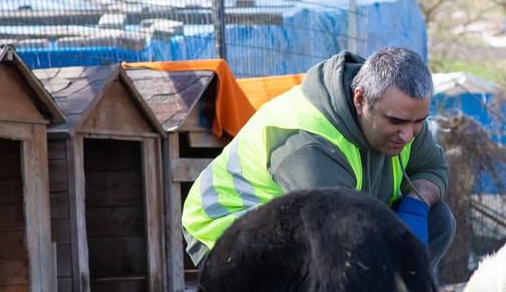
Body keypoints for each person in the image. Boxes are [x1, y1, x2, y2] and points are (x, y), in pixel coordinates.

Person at [181, 47, 454, 269]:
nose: (408, 135)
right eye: (396, 121)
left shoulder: (402, 115)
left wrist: (414, 208)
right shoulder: (307, 140)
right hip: (227, 235)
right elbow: (339, 234)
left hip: (330, 218)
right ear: (360, 99)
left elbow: (433, 168)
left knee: (437, 219)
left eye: (419, 121)